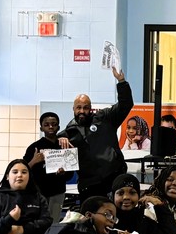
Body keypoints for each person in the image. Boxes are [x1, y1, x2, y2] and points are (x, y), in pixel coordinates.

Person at [57, 66, 134, 199]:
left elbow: (125, 105)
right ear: (73, 109)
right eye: (79, 108)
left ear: (90, 109)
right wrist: (60, 138)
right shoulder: (67, 134)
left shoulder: (105, 118)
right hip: (89, 185)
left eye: (85, 108)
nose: (82, 111)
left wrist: (121, 82)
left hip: (114, 179)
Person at [24, 111, 73, 225]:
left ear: (58, 127)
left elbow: (70, 174)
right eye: (46, 124)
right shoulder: (34, 147)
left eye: (54, 124)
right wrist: (33, 161)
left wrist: (64, 173)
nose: (50, 127)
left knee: (54, 222)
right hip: (38, 193)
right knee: (37, 223)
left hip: (57, 192)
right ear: (41, 128)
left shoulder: (65, 146)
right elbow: (23, 170)